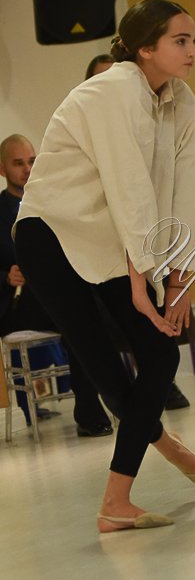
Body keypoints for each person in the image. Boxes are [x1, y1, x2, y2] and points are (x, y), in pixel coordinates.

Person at [14, 0, 195, 533]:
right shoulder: (112, 90)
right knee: (102, 364)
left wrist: (178, 277)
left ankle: (138, 467)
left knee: (160, 352)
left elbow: (178, 189)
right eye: (180, 41)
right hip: (52, 236)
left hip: (111, 241)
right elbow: (129, 186)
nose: (192, 51)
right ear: (145, 48)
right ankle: (127, 487)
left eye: (194, 40)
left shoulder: (180, 99)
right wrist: (142, 280)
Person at [84, 54, 191, 413]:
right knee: (93, 337)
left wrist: (178, 278)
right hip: (100, 254)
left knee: (162, 349)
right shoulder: (91, 125)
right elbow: (125, 202)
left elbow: (168, 199)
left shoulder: (168, 112)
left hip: (142, 249)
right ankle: (96, 411)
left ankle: (157, 399)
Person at [0, 134, 112, 435]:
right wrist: (5, 276)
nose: (27, 169)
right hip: (18, 304)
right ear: (2, 169)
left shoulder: (50, 204)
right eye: (18, 163)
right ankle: (94, 408)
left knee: (86, 312)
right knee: (80, 316)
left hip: (53, 295)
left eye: (32, 161)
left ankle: (101, 405)